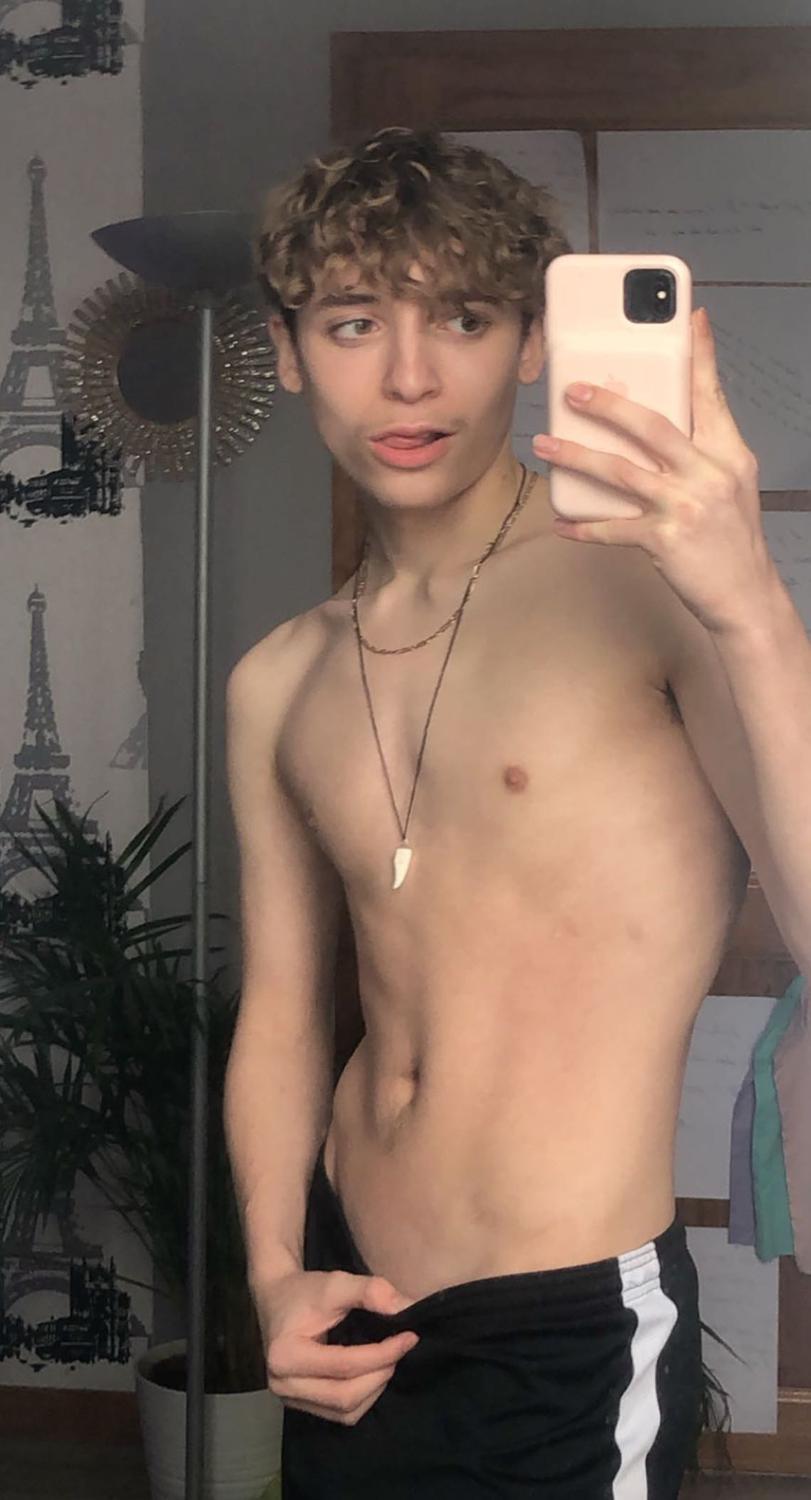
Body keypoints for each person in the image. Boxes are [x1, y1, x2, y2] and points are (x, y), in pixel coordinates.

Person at [223, 126, 753, 1497]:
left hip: (565, 1328)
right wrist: (275, 1274)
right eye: (354, 322)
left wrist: (751, 601)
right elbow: (283, 1012)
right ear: (288, 351)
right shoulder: (277, 678)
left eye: (461, 316)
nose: (409, 377)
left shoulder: (657, 594)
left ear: (530, 341)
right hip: (350, 1300)